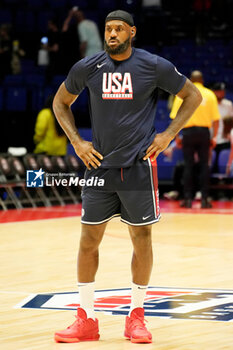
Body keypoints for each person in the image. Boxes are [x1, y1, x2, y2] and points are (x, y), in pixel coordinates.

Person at [53, 10, 202, 344]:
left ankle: (136, 317)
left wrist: (168, 135)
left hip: (137, 166)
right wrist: (77, 142)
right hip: (99, 167)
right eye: (108, 29)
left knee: (142, 239)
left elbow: (193, 96)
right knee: (88, 240)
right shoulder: (88, 67)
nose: (112, 34)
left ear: (131, 32)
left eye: (119, 29)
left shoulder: (152, 65)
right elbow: (60, 103)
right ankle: (86, 318)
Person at [170, 70, 220, 208]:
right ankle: (204, 199)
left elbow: (175, 118)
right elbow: (216, 120)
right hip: (204, 133)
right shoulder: (210, 94)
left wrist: (176, 137)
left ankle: (187, 199)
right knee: (204, 166)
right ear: (202, 80)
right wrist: (214, 137)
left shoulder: (182, 93)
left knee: (188, 166)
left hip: (188, 133)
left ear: (190, 80)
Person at [212, 82, 233, 172]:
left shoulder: (228, 104)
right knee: (212, 164)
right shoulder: (210, 104)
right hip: (212, 138)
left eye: (223, 91)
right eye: (220, 91)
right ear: (215, 92)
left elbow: (231, 121)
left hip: (225, 139)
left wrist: (229, 133)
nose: (222, 93)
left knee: (223, 161)